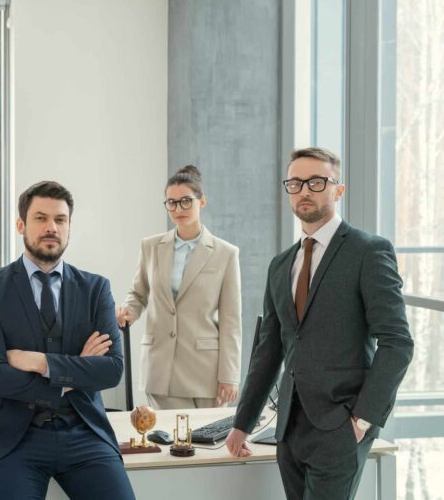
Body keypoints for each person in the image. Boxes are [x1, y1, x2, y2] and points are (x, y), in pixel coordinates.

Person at [225, 147, 414, 500]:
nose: (304, 191)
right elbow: (270, 349)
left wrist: (362, 420)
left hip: (340, 426)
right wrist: (242, 423)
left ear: (337, 190)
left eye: (316, 181)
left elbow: (397, 342)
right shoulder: (281, 265)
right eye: (295, 183)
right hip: (290, 429)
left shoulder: (368, 251)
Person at [0, 181, 135, 499]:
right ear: (21, 224)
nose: (51, 228)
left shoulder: (96, 289)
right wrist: (76, 372)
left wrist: (39, 362)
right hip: (13, 440)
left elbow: (111, 370)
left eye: (60, 220)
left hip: (84, 434)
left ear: (69, 226)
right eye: (41, 218)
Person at [117, 165, 242, 409]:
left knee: (206, 444)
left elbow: (231, 321)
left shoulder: (226, 253)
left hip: (206, 372)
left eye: (186, 201)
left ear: (201, 202)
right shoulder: (150, 247)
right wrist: (129, 310)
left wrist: (230, 375)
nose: (178, 209)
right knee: (169, 443)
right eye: (171, 203)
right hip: (160, 367)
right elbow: (138, 293)